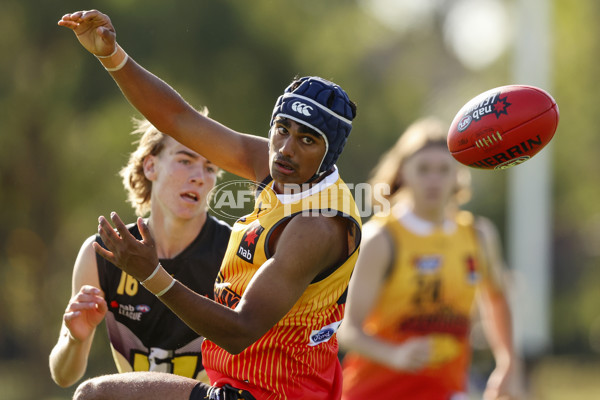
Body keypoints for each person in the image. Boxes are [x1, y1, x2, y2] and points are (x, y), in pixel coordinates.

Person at [58, 9, 361, 400]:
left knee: (97, 396)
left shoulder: (316, 226)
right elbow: (177, 118)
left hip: (268, 394)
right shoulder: (278, 166)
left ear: (329, 151)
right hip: (241, 383)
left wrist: (151, 274)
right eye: (281, 130)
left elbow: (240, 330)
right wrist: (112, 56)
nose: (286, 148)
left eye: (306, 140)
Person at [337, 117, 521, 400]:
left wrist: (507, 361)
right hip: (374, 392)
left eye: (443, 169)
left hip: (447, 391)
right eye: (423, 169)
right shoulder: (382, 238)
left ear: (458, 175)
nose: (433, 179)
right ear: (403, 173)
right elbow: (348, 331)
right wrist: (395, 355)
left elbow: (496, 297)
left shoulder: (478, 235)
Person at [49, 116, 231, 388]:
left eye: (210, 168)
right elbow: (63, 376)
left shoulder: (234, 252)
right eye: (185, 160)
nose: (199, 177)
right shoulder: (101, 253)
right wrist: (75, 340)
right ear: (150, 165)